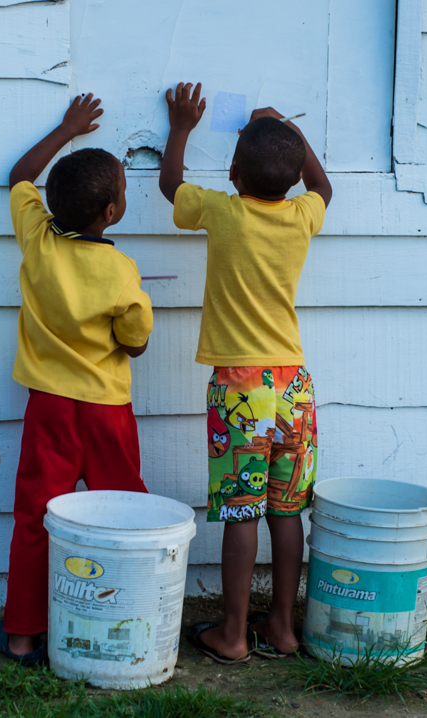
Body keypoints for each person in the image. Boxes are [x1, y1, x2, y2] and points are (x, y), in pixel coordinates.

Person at [159, 82, 332, 664]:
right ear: (292, 178)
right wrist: (287, 127)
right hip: (294, 384)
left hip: (242, 387)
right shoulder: (302, 216)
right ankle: (281, 627)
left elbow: (171, 186)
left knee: (241, 508)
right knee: (286, 508)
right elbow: (323, 187)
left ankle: (233, 635)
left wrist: (181, 127)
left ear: (233, 172)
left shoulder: (224, 211)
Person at [0, 93, 154, 665]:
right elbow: (135, 342)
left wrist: (66, 130)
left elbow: (20, 177)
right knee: (124, 512)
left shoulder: (36, 238)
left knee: (36, 517)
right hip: (107, 412)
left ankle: (21, 635)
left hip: (50, 410)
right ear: (111, 212)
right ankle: (125, 618)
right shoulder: (120, 271)